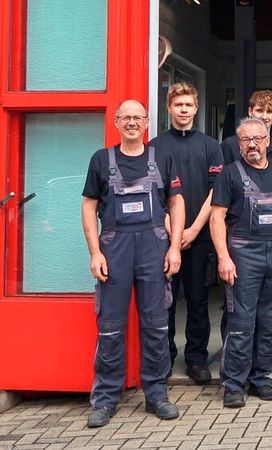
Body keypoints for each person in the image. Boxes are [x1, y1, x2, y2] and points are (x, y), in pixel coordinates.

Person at [81, 100, 184, 428]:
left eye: (137, 118)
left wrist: (175, 247)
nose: (131, 123)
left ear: (147, 122)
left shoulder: (162, 158)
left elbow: (176, 202)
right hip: (115, 251)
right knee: (110, 327)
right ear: (116, 121)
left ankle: (157, 394)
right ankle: (105, 399)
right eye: (125, 118)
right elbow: (88, 206)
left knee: (156, 325)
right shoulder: (102, 160)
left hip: (154, 249)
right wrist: (95, 252)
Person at [210, 117, 272, 408]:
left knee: (268, 321)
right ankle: (234, 384)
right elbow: (217, 217)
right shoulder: (229, 174)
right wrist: (224, 258)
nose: (251, 144)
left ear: (267, 140)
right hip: (243, 255)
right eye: (245, 140)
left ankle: (261, 379)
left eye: (257, 139)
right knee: (241, 321)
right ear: (239, 144)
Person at [149, 82, 223, 385]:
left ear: (196, 108)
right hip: (165, 239)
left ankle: (196, 359)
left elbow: (215, 192)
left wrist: (193, 229)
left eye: (188, 105)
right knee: (164, 301)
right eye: (178, 105)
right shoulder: (154, 146)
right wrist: (174, 230)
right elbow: (153, 193)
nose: (183, 110)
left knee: (198, 300)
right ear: (169, 108)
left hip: (200, 235)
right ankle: (164, 359)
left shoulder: (210, 146)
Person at [219, 89, 272, 375]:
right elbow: (220, 201)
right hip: (243, 243)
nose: (253, 144)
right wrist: (225, 252)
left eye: (269, 112)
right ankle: (234, 378)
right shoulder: (229, 150)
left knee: (269, 314)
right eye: (259, 111)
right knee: (239, 315)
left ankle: (264, 371)